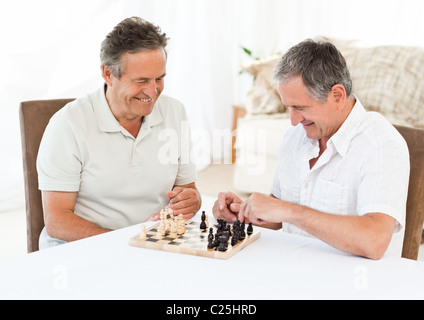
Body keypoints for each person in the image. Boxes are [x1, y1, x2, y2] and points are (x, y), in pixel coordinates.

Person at [213, 39, 410, 260]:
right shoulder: (296, 136)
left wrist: (290, 211)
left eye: (300, 107)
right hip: (294, 268)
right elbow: (280, 214)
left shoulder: (380, 144)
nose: (293, 120)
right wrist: (245, 211)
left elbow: (374, 241)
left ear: (337, 95)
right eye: (288, 107)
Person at [37, 17, 201, 249]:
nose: (153, 91)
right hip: (85, 248)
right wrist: (127, 242)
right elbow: (57, 222)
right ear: (108, 74)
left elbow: (187, 188)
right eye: (141, 80)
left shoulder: (175, 112)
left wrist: (191, 200)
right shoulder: (68, 125)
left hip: (151, 245)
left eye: (159, 78)